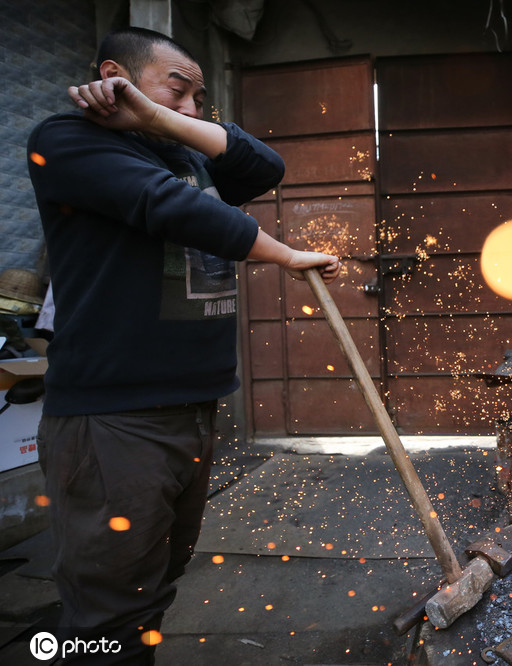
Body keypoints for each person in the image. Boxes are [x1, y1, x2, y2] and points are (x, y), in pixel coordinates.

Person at [26, 27, 340, 663]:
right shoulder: (66, 141)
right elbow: (170, 208)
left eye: (201, 99)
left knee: (152, 584)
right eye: (179, 89)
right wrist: (281, 254)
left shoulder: (185, 154)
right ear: (115, 73)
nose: (194, 109)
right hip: (115, 416)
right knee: (106, 606)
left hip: (191, 407)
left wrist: (163, 118)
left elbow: (263, 165)